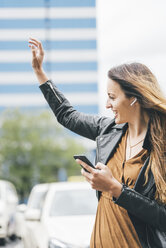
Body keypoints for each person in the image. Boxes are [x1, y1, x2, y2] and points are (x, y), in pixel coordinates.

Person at [28, 38, 166, 248]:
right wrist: (39, 72)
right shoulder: (108, 130)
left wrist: (115, 188)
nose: (107, 104)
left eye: (112, 97)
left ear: (134, 99)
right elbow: (68, 115)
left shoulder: (161, 146)